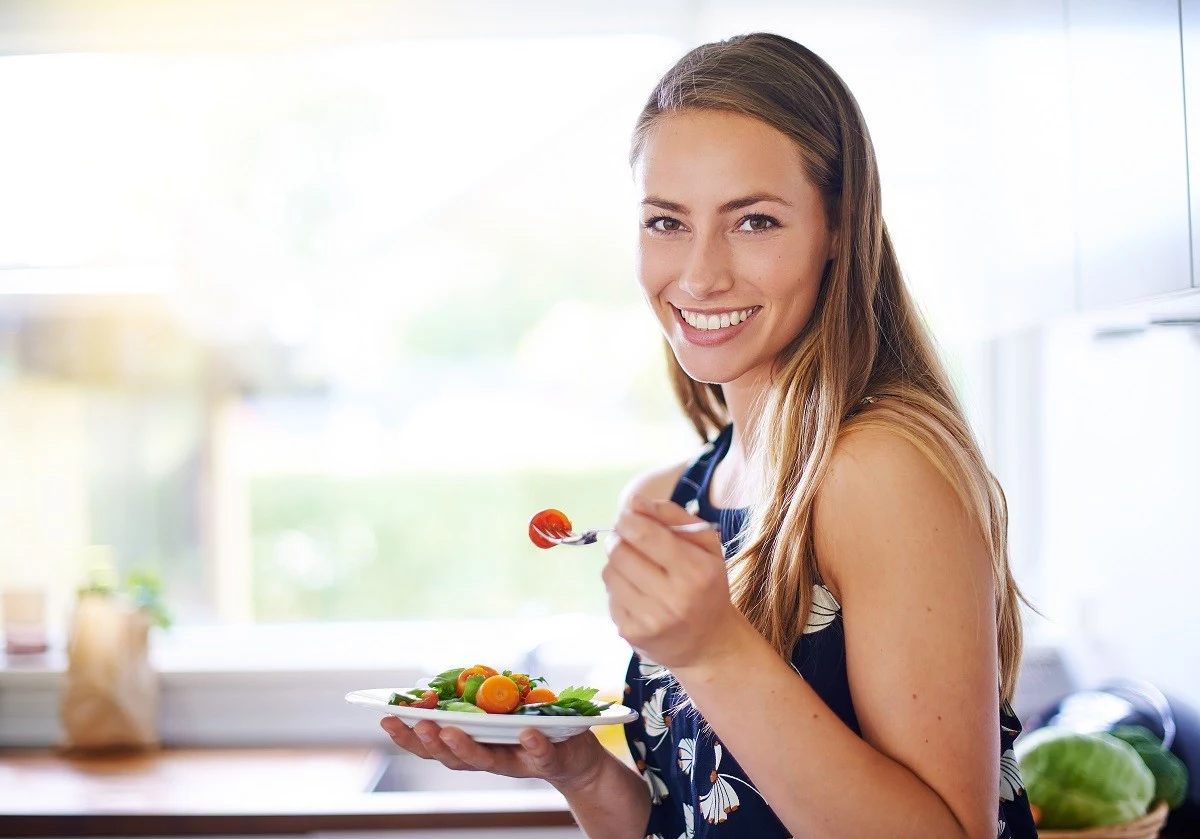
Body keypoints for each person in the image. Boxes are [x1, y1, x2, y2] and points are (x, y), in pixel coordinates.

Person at [380, 32, 1037, 839]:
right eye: (666, 221)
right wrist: (581, 772)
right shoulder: (672, 496)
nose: (698, 275)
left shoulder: (879, 467)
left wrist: (713, 650)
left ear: (839, 227)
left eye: (753, 220)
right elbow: (689, 820)